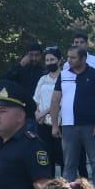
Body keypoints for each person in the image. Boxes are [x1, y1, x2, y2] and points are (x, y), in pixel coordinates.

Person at [50, 46, 95, 189]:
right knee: (69, 164)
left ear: (83, 59)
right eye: (68, 57)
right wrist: (55, 125)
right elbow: (55, 100)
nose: (69, 60)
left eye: (73, 57)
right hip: (69, 126)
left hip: (91, 126)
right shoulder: (63, 75)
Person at [33, 47, 64, 175]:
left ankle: (66, 187)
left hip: (60, 122)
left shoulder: (65, 77)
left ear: (60, 60)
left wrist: (44, 112)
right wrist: (37, 114)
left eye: (52, 59)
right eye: (47, 60)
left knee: (63, 157)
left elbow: (61, 101)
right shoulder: (43, 79)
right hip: (43, 124)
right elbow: (36, 99)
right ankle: (50, 187)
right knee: (46, 157)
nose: (50, 62)